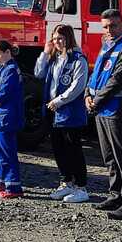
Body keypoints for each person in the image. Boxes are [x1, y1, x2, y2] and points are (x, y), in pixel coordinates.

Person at [86, 8, 122, 221]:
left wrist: (96, 102)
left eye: (113, 26)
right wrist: (87, 95)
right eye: (106, 27)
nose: (109, 30)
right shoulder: (107, 46)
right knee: (109, 156)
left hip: (116, 108)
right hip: (102, 108)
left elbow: (117, 80)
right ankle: (115, 194)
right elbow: (96, 75)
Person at [34, 24, 90, 203]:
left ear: (68, 38)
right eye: (55, 38)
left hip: (69, 112)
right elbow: (38, 74)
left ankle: (81, 187)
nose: (57, 42)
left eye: (60, 38)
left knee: (73, 149)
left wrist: (59, 101)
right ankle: (66, 182)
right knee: (58, 149)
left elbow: (77, 86)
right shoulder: (54, 59)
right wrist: (45, 52)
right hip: (54, 112)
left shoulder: (78, 59)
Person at [0, 40, 25, 198]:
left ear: (8, 52)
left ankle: (13, 186)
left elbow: (4, 92)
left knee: (7, 152)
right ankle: (1, 180)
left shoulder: (11, 71)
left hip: (6, 118)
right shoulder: (2, 69)